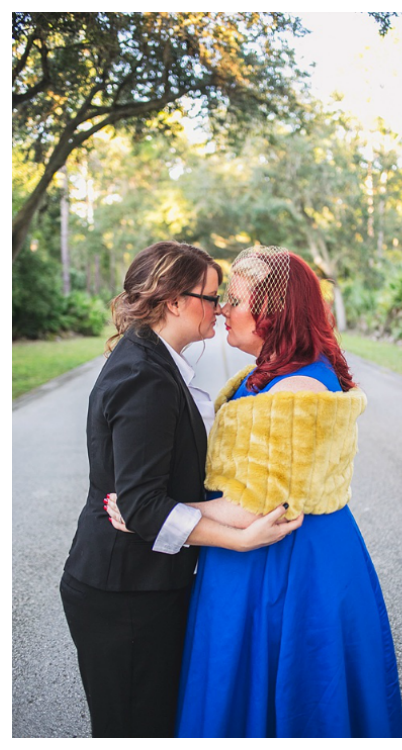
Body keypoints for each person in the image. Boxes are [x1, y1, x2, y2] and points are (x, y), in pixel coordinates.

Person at [112, 246, 402, 737]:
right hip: (259, 558)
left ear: (274, 311)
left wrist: (151, 510)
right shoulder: (267, 373)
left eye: (236, 298)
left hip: (285, 566)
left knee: (284, 696)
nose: (224, 308)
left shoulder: (296, 390)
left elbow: (254, 506)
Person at [60, 241, 303, 738]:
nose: (222, 308)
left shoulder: (154, 361)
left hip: (146, 586)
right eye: (212, 298)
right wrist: (238, 537)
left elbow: (147, 498)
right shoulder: (144, 375)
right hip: (124, 593)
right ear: (174, 301)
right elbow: (142, 505)